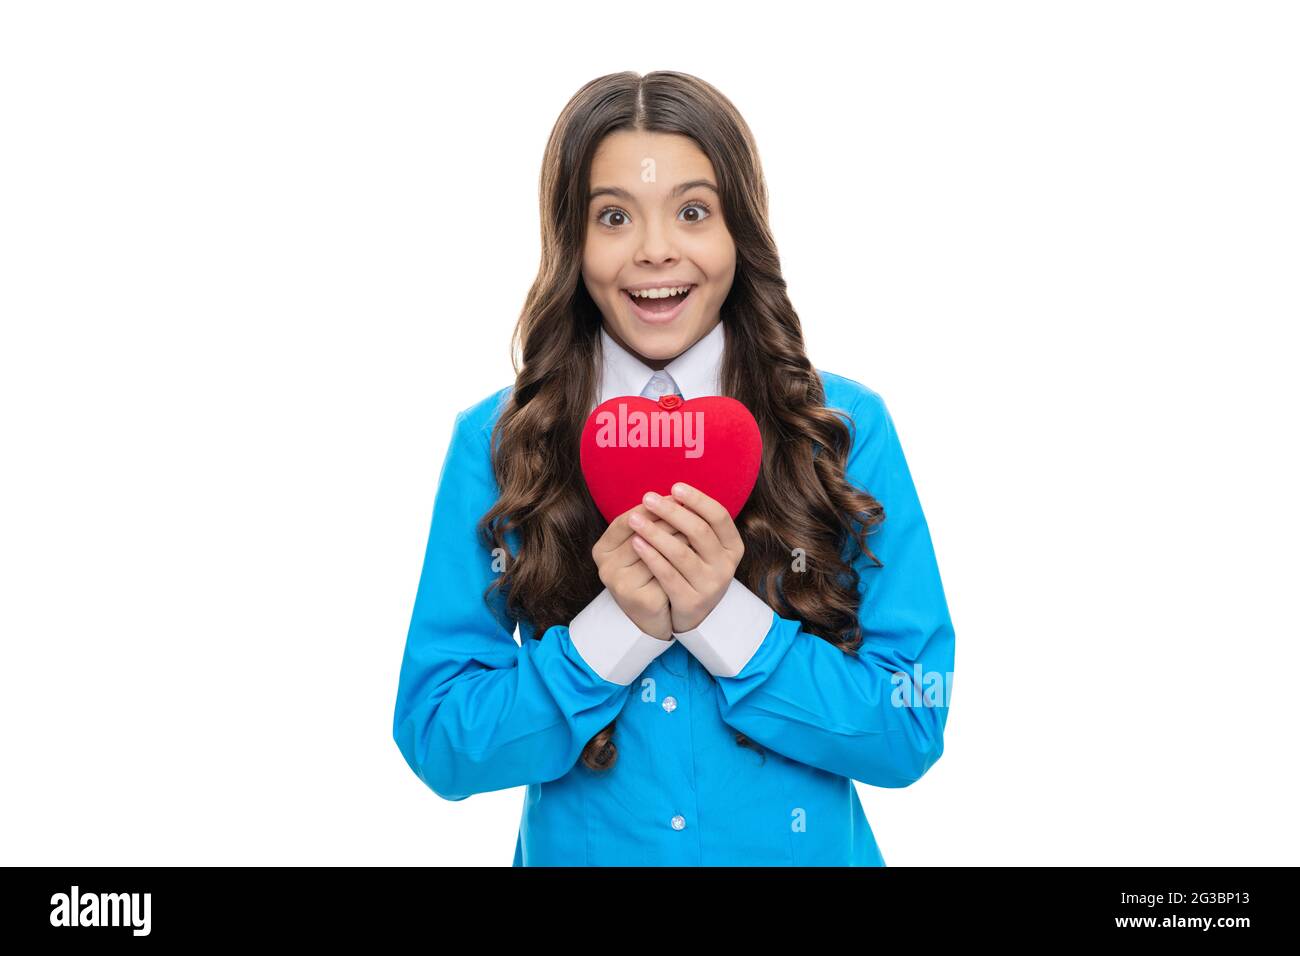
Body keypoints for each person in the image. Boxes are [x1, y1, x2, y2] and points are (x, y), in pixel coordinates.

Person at [391, 70, 956, 866]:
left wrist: (724, 623)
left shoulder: (844, 428)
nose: (656, 249)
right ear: (571, 241)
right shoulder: (499, 439)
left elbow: (909, 723)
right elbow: (440, 736)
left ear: (740, 234)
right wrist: (615, 632)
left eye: (693, 211)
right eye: (614, 216)